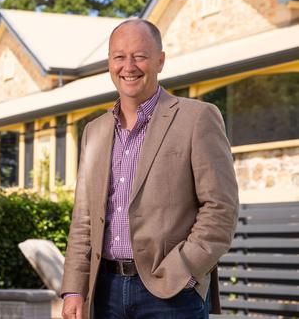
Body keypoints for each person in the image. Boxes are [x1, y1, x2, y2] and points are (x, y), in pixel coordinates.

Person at [60, 19, 238, 319]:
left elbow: (221, 207)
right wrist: (75, 290)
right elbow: (84, 218)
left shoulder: (197, 118)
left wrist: (184, 271)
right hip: (104, 293)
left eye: (140, 56)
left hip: (170, 294)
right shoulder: (95, 131)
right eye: (119, 57)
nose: (129, 66)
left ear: (160, 60)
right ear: (110, 63)